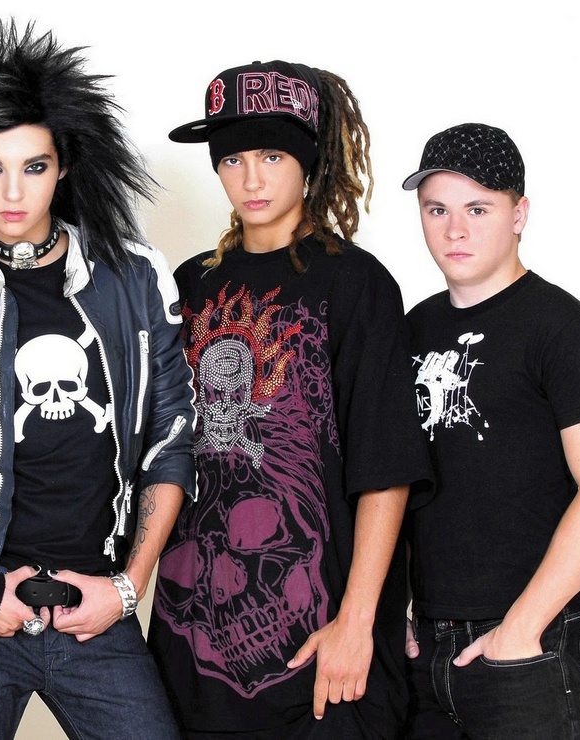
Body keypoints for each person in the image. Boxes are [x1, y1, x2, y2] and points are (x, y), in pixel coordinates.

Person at [0, 20, 196, 739]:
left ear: (65, 166)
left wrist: (127, 588)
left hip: (96, 612)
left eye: (35, 167)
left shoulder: (136, 279)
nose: (13, 192)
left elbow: (170, 443)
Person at [148, 61, 433, 739]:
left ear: (307, 161)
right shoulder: (188, 286)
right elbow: (151, 450)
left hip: (324, 651)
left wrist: (358, 622)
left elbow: (386, 469)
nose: (251, 179)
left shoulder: (356, 284)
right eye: (233, 159)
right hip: (196, 650)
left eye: (272, 157)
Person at [400, 122, 580, 739]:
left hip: (531, 642)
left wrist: (522, 629)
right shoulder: (412, 329)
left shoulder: (566, 329)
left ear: (519, 214)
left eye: (478, 209)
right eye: (437, 209)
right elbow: (402, 482)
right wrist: (400, 603)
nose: (455, 230)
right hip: (425, 646)